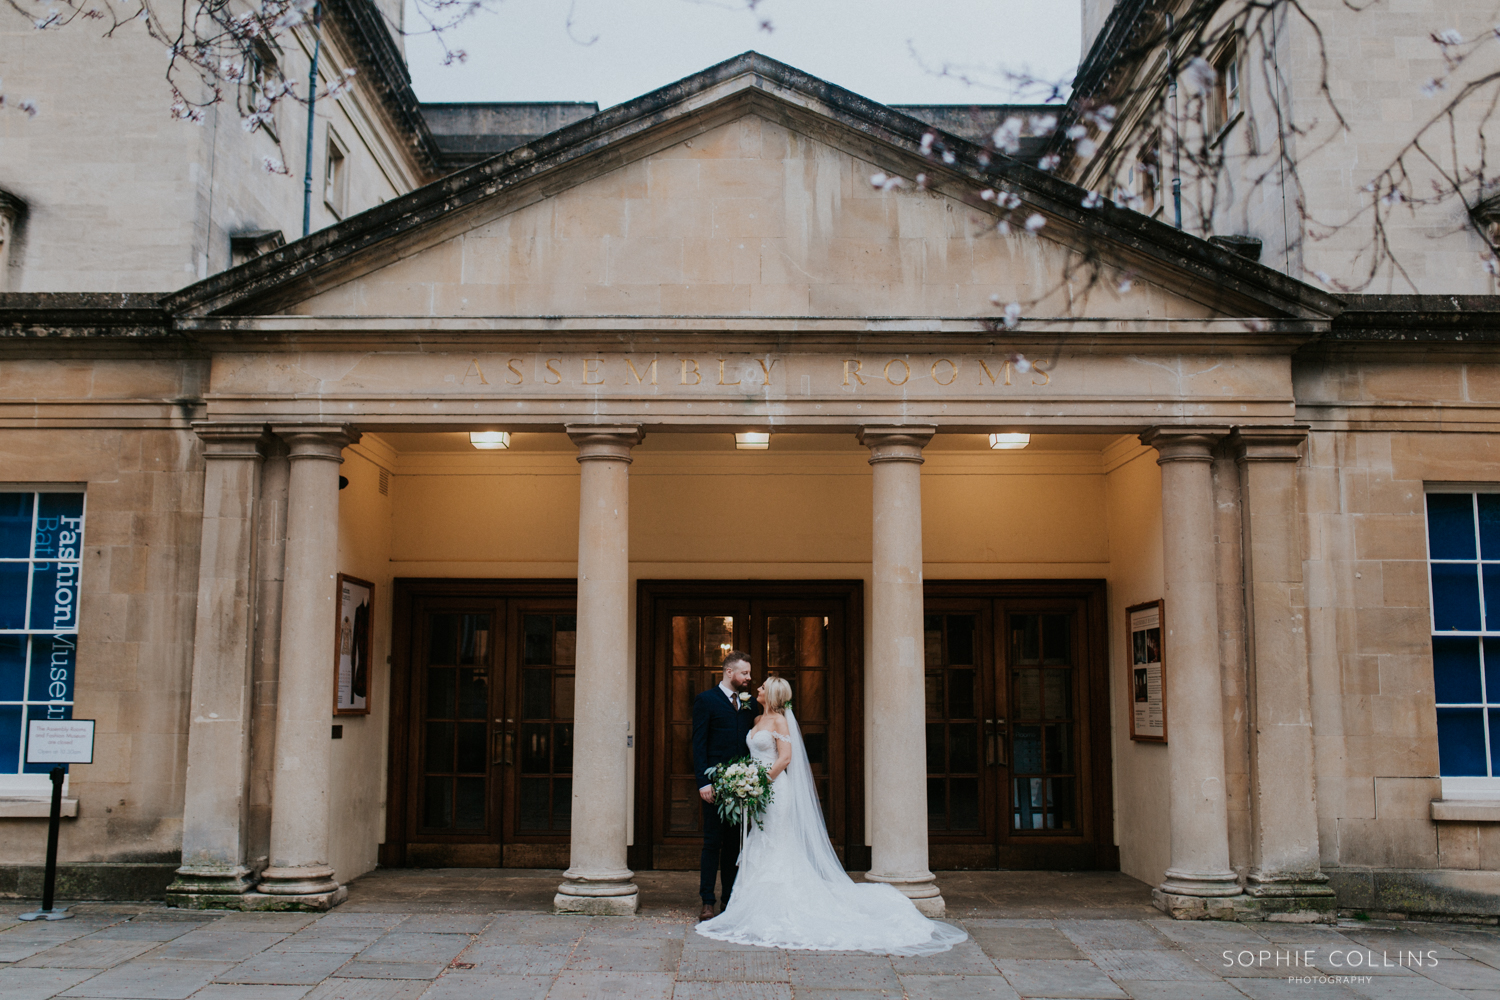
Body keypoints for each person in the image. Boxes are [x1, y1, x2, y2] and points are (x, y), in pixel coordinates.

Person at [697, 676, 967, 955]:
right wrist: (747, 781)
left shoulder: (780, 721)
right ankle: (750, 905)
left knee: (777, 842)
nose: (758, 689)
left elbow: (785, 758)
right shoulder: (755, 721)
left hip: (775, 791)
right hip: (759, 794)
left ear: (773, 694)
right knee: (759, 841)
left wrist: (759, 783)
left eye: (763, 687)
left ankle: (783, 904)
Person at [691, 650, 759, 922]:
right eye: (745, 673)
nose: (749, 678)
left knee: (734, 845)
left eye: (749, 674)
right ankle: (707, 900)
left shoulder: (751, 703)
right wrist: (703, 782)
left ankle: (729, 900)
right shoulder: (705, 700)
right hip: (714, 786)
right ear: (729, 672)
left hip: (741, 786)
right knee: (712, 843)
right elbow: (698, 744)